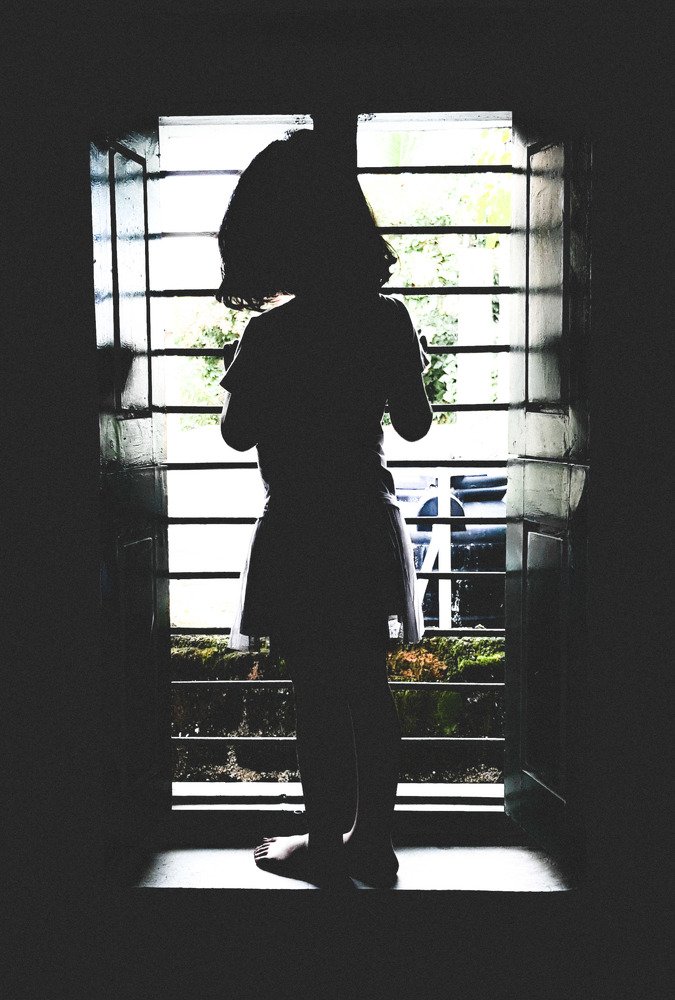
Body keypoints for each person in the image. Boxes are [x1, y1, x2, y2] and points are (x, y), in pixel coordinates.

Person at [216, 129, 432, 887]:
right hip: (363, 523)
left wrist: (250, 374)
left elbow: (237, 433)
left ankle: (323, 842)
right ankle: (374, 838)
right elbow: (414, 425)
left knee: (314, 692)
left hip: (300, 526)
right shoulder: (387, 318)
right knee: (368, 689)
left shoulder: (268, 333)